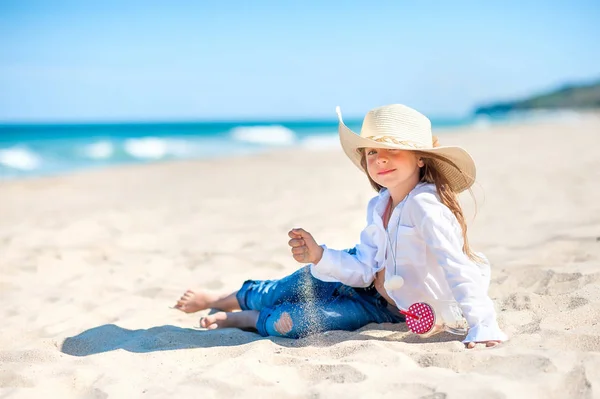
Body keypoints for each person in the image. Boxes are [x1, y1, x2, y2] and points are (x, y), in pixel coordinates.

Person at [174, 104, 508, 348]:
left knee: (293, 323)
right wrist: (320, 254)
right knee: (283, 288)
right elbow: (363, 267)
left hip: (386, 307)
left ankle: (245, 318)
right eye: (373, 151)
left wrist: (483, 324)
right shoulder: (379, 205)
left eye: (393, 150)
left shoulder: (426, 206)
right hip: (359, 274)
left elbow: (456, 265)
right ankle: (221, 297)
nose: (379, 159)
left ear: (421, 158)